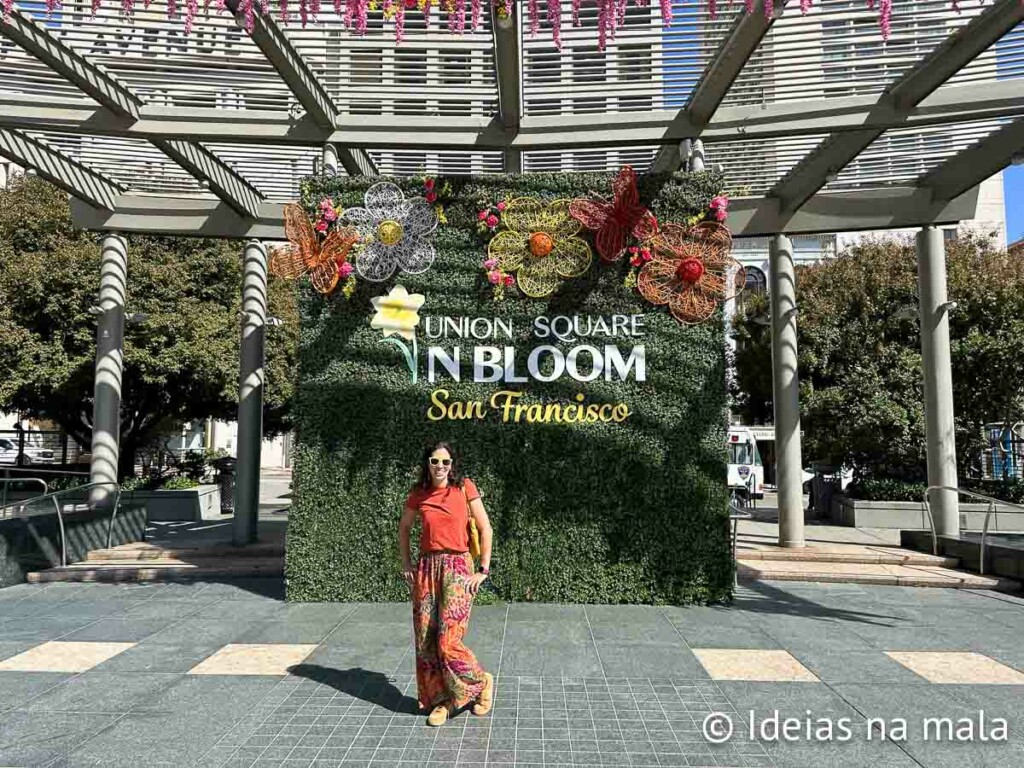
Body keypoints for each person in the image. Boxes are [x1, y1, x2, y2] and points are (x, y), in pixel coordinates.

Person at [399, 441, 495, 727]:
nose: (440, 467)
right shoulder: (419, 493)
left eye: (445, 462)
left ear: (452, 464)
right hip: (427, 567)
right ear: (426, 463)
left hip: (458, 567)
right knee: (426, 640)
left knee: (448, 639)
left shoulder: (465, 487)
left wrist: (483, 570)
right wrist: (406, 564)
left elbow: (484, 527)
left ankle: (480, 681)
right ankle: (442, 702)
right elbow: (404, 528)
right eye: (434, 461)